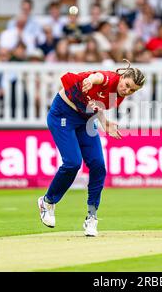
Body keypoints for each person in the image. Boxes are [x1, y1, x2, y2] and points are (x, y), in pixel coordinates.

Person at [38, 60, 146, 236]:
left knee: (98, 166)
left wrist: (105, 123)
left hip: (85, 119)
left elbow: (96, 104)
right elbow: (100, 78)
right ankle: (47, 202)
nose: (127, 91)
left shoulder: (119, 97)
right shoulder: (110, 79)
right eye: (127, 85)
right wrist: (91, 80)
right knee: (73, 163)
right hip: (62, 114)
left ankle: (92, 217)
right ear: (123, 77)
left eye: (132, 90)